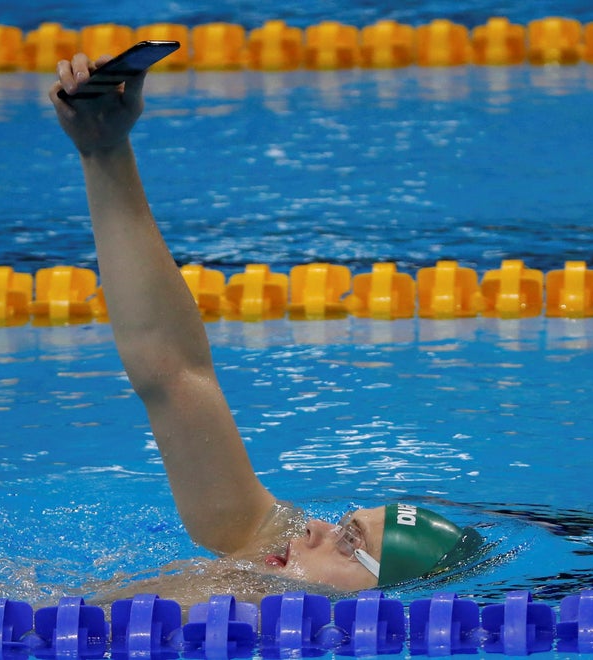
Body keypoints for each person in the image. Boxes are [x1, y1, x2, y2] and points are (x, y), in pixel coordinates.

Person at [48, 51, 480, 604]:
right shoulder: (258, 543)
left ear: (383, 600)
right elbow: (173, 372)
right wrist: (104, 150)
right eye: (341, 525)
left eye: (347, 544)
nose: (311, 529)